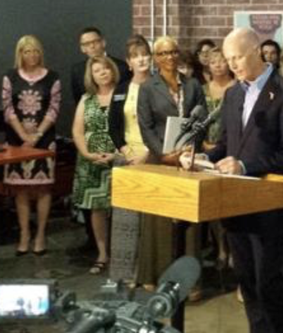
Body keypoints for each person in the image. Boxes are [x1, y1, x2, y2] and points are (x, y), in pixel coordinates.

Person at [183, 27, 283, 333]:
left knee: (267, 283)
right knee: (247, 281)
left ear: (256, 52)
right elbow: (227, 144)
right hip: (236, 203)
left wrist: (244, 165)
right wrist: (203, 158)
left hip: (269, 206)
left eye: (237, 57)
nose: (232, 65)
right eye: (228, 59)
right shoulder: (233, 94)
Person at [137, 36, 206, 291]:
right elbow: (145, 126)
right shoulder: (148, 87)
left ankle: (190, 281)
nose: (169, 57)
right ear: (156, 58)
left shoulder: (192, 84)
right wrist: (163, 153)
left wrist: (190, 148)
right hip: (160, 159)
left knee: (189, 219)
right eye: (163, 53)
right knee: (159, 219)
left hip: (188, 159)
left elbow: (202, 119)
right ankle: (154, 274)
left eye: (173, 52)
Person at [2, 35, 61, 256]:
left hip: (43, 140)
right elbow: (8, 108)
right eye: (27, 51)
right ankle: (24, 234)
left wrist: (36, 136)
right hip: (16, 140)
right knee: (21, 190)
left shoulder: (52, 77)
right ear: (20, 54)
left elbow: (53, 109)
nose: (32, 55)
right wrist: (23, 135)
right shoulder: (10, 77)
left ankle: (41, 235)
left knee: (43, 189)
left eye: (35, 51)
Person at [108, 35, 154, 285]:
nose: (142, 59)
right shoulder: (122, 89)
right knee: (124, 223)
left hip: (153, 159)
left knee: (150, 223)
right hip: (127, 160)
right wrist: (126, 152)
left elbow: (164, 125)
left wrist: (149, 152)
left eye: (145, 54)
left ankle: (148, 274)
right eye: (136, 56)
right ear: (129, 62)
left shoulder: (159, 85)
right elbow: (113, 126)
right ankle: (123, 276)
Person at [71, 56, 119, 274]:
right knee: (97, 209)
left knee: (121, 209)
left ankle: (122, 254)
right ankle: (102, 254)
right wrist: (87, 154)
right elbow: (77, 131)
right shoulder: (86, 99)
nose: (103, 73)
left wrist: (116, 154)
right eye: (97, 70)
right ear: (91, 76)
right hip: (91, 161)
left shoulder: (123, 95)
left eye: (106, 68)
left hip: (118, 158)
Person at [202, 46, 236, 272]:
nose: (218, 65)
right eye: (213, 61)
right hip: (207, 148)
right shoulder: (202, 89)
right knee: (213, 203)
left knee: (229, 203)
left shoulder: (236, 87)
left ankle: (233, 250)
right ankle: (220, 248)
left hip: (230, 150)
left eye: (222, 61)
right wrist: (204, 144)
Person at [70, 27, 130, 105]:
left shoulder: (122, 66)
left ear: (103, 42)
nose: (92, 46)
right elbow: (78, 98)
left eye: (95, 42)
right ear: (82, 48)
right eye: (87, 44)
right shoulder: (77, 70)